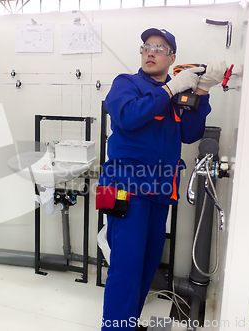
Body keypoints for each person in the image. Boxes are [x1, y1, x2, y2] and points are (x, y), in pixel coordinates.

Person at [98, 28, 226, 330]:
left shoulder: (177, 91)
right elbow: (128, 117)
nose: (150, 52)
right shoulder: (125, 84)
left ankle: (126, 324)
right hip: (126, 191)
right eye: (146, 47)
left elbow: (190, 133)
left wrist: (202, 91)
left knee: (146, 268)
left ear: (172, 58)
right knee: (126, 268)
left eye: (159, 47)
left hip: (159, 194)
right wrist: (169, 91)